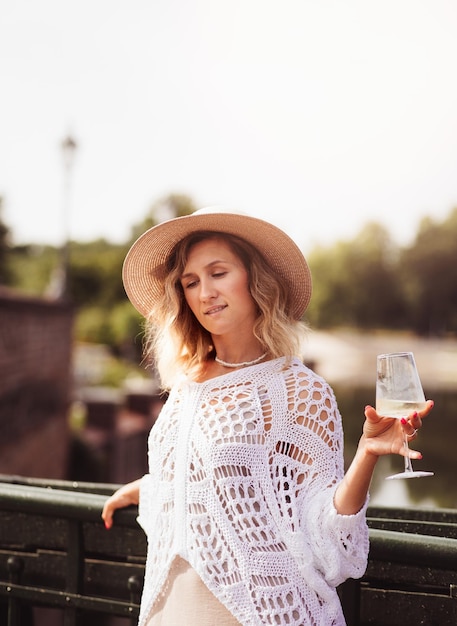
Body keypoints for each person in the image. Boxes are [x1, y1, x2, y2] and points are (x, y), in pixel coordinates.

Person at [102, 207, 433, 626]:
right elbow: (200, 481)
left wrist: (366, 453)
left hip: (256, 615)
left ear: (253, 280)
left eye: (218, 273)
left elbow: (325, 533)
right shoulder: (186, 386)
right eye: (190, 282)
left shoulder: (298, 389)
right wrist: (144, 489)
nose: (205, 292)